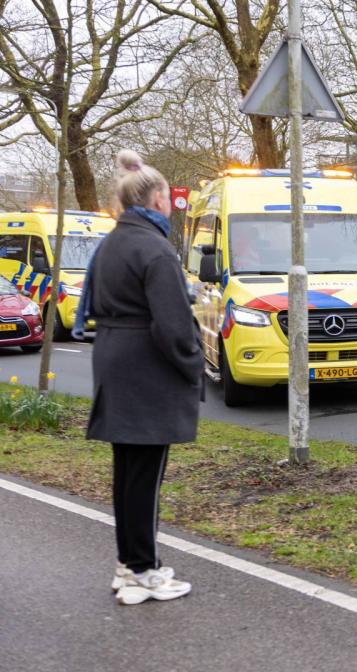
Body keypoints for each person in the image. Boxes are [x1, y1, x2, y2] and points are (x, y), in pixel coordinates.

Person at [83, 150, 201, 605]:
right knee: (145, 478)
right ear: (156, 198)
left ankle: (129, 564)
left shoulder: (114, 241)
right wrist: (194, 366)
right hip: (147, 370)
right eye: (168, 196)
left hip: (116, 362)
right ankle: (144, 571)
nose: (171, 203)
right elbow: (173, 327)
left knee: (128, 474)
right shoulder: (155, 248)